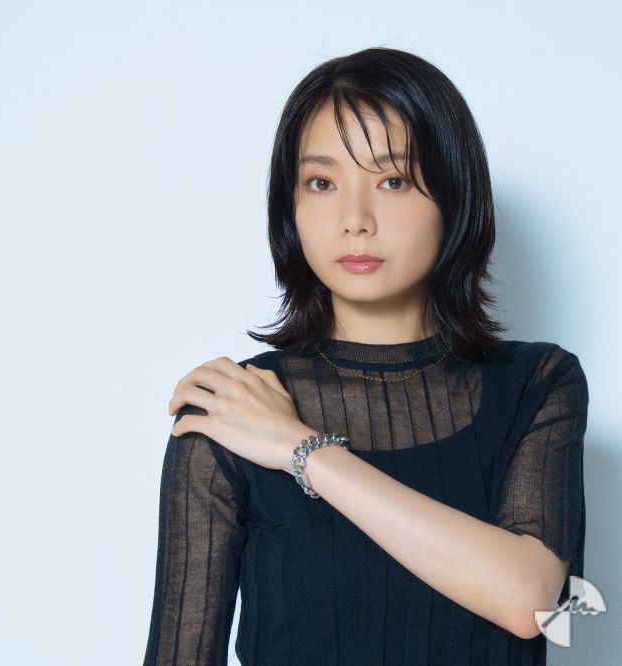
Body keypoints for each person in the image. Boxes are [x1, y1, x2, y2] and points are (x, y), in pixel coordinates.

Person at [142, 46, 589, 666]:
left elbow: (532, 602)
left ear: (455, 197)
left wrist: (302, 450)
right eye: (321, 183)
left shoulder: (536, 383)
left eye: (392, 180)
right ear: (290, 207)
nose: (354, 220)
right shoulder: (236, 410)